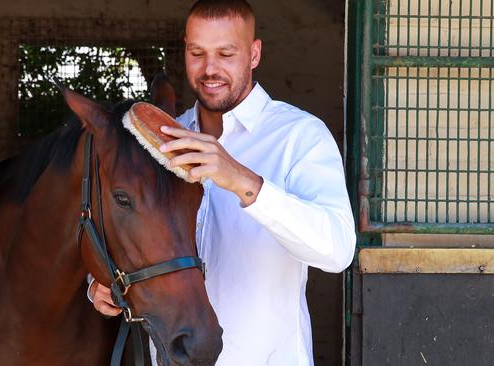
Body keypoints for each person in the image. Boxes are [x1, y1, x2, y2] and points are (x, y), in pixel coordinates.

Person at [89, 0, 356, 364]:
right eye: (197, 53)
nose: (209, 69)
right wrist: (102, 285)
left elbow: (338, 251)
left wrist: (241, 180)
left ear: (254, 53)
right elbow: (129, 227)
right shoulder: (164, 138)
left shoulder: (300, 136)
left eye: (225, 54)